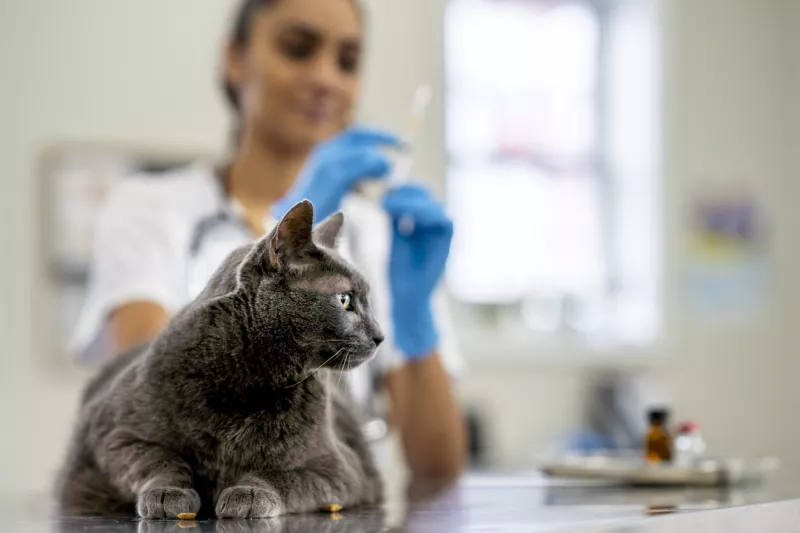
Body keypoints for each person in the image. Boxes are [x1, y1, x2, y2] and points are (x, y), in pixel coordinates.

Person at [71, 0, 466, 485]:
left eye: (347, 61)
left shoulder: (380, 236)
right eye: (298, 49)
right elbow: (149, 396)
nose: (326, 78)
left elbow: (438, 470)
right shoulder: (149, 209)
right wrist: (283, 238)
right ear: (236, 58)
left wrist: (415, 316)